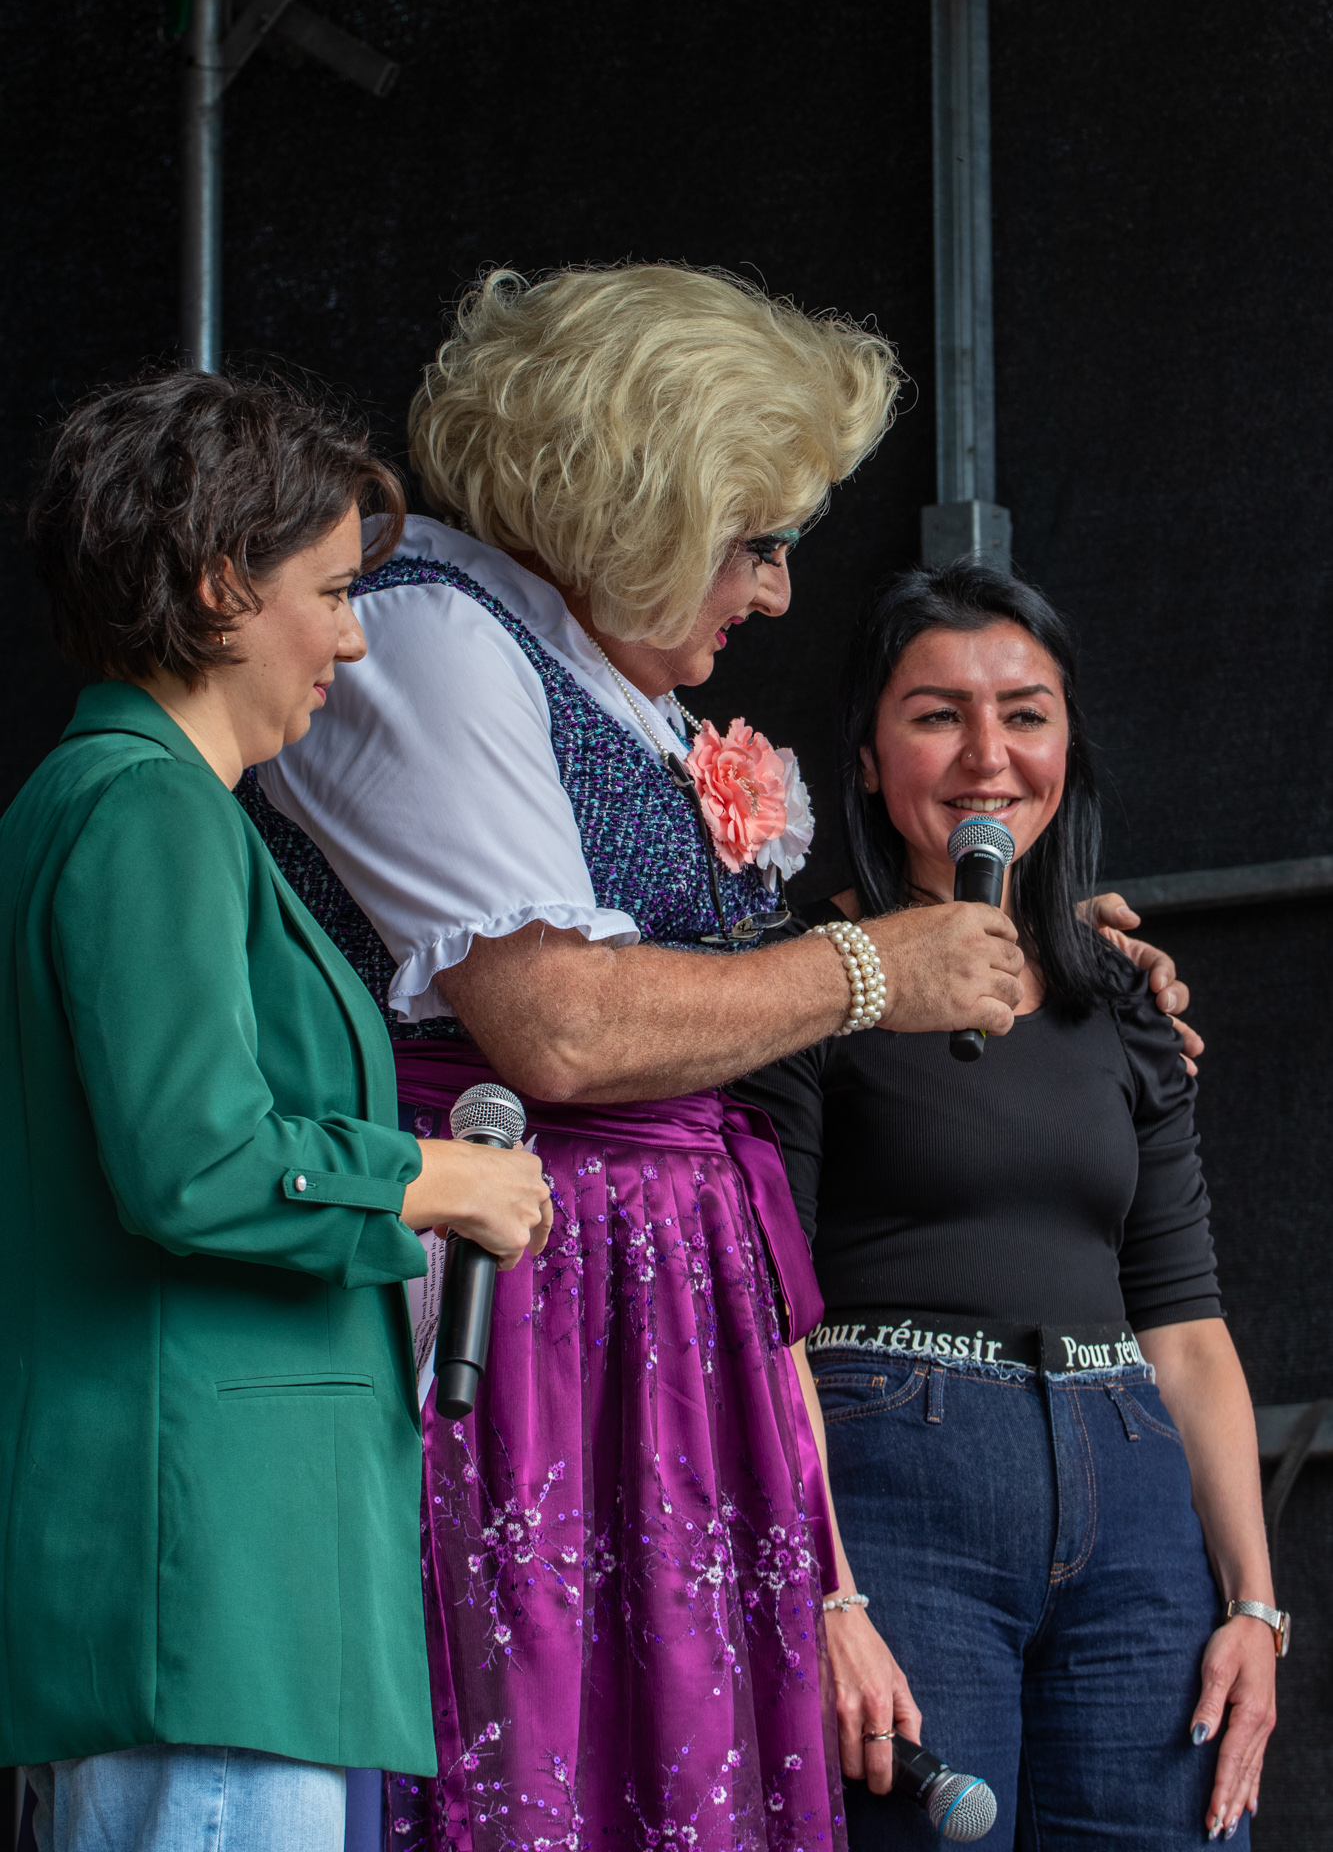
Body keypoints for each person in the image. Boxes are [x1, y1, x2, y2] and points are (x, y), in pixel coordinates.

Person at [242, 264, 1188, 1845]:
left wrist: (1059, 946)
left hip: (647, 1304)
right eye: (755, 541)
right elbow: (557, 1023)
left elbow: (704, 983)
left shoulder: (579, 668)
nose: (774, 593)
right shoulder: (425, 639)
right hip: (518, 1307)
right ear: (638, 509)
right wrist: (865, 969)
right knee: (533, 1738)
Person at [0, 370, 548, 1852]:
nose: (355, 640)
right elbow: (194, 1163)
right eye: (335, 592)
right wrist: (434, 1178)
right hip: (206, 1582)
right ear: (221, 586)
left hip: (215, 1582)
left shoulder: (122, 802)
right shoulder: (143, 805)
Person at [733, 562, 1278, 1851]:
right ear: (867, 756)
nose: (989, 756)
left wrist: (1256, 1608)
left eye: (1025, 714)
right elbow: (761, 1316)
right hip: (897, 1487)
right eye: (938, 715)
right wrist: (826, 1592)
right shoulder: (804, 983)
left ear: (1067, 747)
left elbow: (1186, 1325)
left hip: (1133, 1492)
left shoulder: (1122, 997)